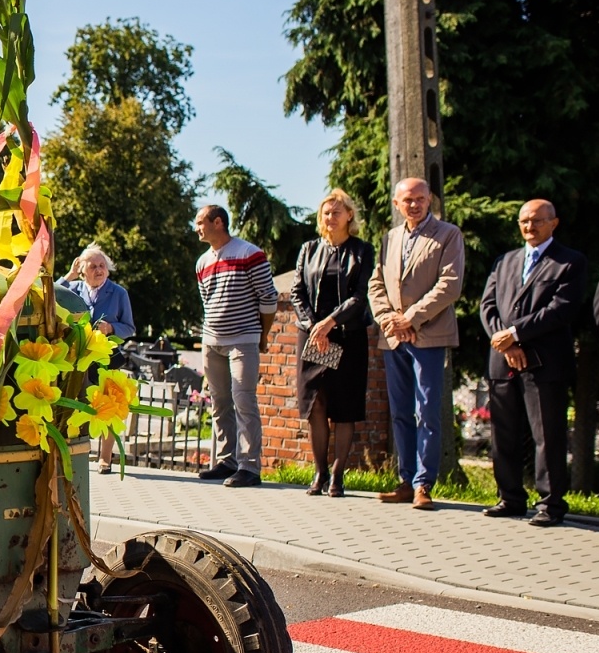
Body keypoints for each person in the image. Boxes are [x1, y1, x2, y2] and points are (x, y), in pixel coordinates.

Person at [480, 200, 587, 527]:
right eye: (524, 221)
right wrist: (505, 341)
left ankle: (550, 504)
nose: (530, 227)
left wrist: (515, 334)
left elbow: (561, 310)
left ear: (553, 223)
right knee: (505, 434)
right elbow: (488, 306)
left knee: (547, 435)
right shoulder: (505, 261)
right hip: (503, 361)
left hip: (545, 363)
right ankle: (510, 498)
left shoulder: (569, 262)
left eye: (537, 221)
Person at [367, 177, 464, 511]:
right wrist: (388, 319)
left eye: (420, 199)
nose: (414, 204)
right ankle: (405, 481)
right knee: (400, 414)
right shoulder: (389, 238)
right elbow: (376, 283)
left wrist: (412, 317)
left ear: (430, 201)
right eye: (407, 200)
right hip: (393, 337)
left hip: (429, 335)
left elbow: (450, 285)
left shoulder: (448, 234)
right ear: (397, 204)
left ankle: (425, 484)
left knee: (427, 412)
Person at [289, 190, 375, 498]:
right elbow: (297, 292)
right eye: (326, 212)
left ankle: (338, 475)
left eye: (337, 212)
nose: (331, 217)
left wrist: (330, 323)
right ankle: (319, 472)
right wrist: (315, 326)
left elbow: (360, 296)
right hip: (313, 336)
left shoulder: (362, 250)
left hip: (347, 335)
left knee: (344, 408)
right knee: (316, 404)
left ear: (349, 216)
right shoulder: (309, 249)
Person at [193, 204, 279, 488]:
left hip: (243, 339)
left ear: (218, 222)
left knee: (244, 399)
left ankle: (249, 467)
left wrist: (262, 335)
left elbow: (268, 298)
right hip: (212, 341)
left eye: (200, 222)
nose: (197, 228)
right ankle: (226, 461)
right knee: (219, 404)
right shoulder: (202, 262)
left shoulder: (248, 253)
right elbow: (208, 302)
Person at [58, 243, 135, 474]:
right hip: (78, 356)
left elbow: (129, 327)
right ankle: (79, 452)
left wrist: (111, 327)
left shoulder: (119, 293)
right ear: (82, 270)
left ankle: (105, 458)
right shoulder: (74, 288)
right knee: (79, 403)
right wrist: (69, 275)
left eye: (103, 266)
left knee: (108, 404)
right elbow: (50, 293)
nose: (99, 270)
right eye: (93, 266)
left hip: (106, 357)